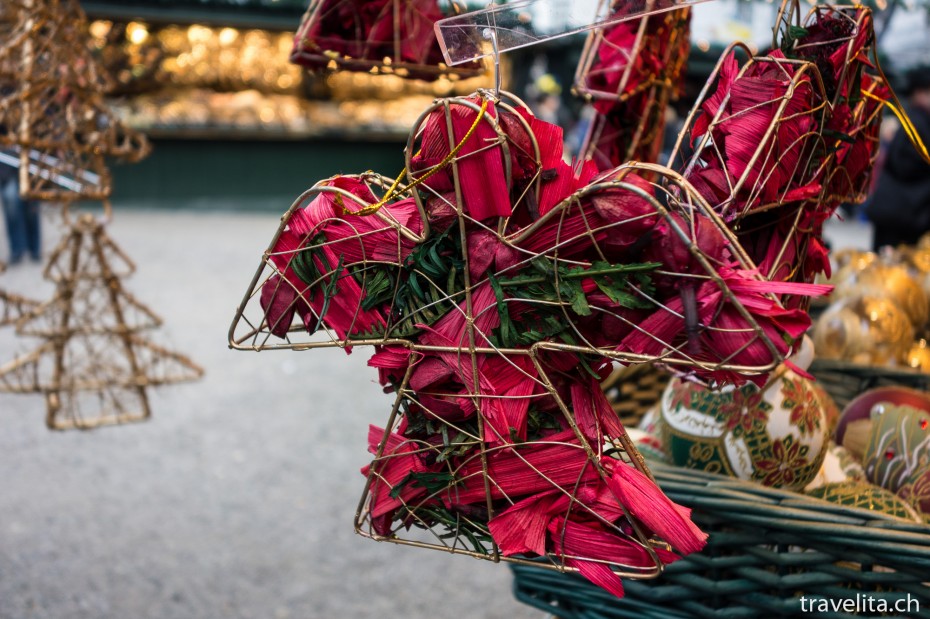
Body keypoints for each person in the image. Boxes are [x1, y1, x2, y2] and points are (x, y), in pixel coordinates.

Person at [864, 65, 930, 250]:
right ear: (919, 93)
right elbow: (905, 164)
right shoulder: (918, 122)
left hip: (899, 213)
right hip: (902, 215)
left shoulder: (916, 120)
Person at [0, 156, 41, 264]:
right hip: (7, 166)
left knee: (32, 209)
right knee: (11, 208)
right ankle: (16, 249)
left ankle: (34, 248)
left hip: (31, 163)